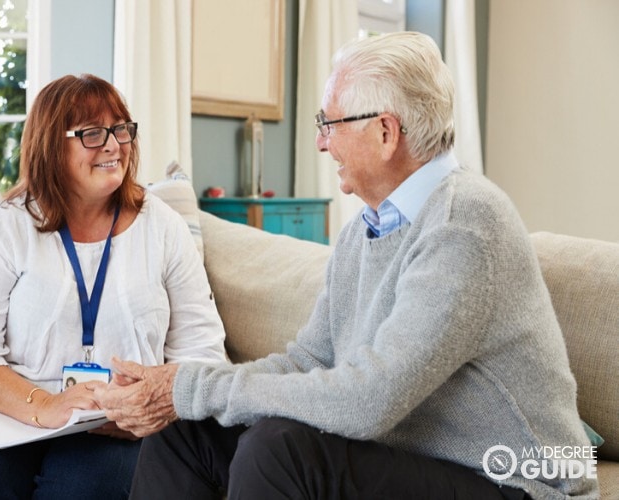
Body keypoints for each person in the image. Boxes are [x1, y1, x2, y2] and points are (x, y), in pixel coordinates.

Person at [96, 32, 599, 499]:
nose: (320, 142)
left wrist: (190, 388)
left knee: (278, 450)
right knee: (187, 433)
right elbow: (308, 361)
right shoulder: (368, 228)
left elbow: (369, 401)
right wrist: (183, 390)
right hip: (421, 462)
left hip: (519, 481)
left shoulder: (463, 222)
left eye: (329, 124)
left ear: (385, 132)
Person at [0, 73, 227, 499]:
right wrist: (46, 406)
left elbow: (202, 352)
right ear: (50, 145)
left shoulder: (163, 227)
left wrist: (146, 405)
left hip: (121, 424)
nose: (114, 145)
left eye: (121, 129)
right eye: (93, 133)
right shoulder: (9, 226)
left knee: (84, 486)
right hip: (15, 411)